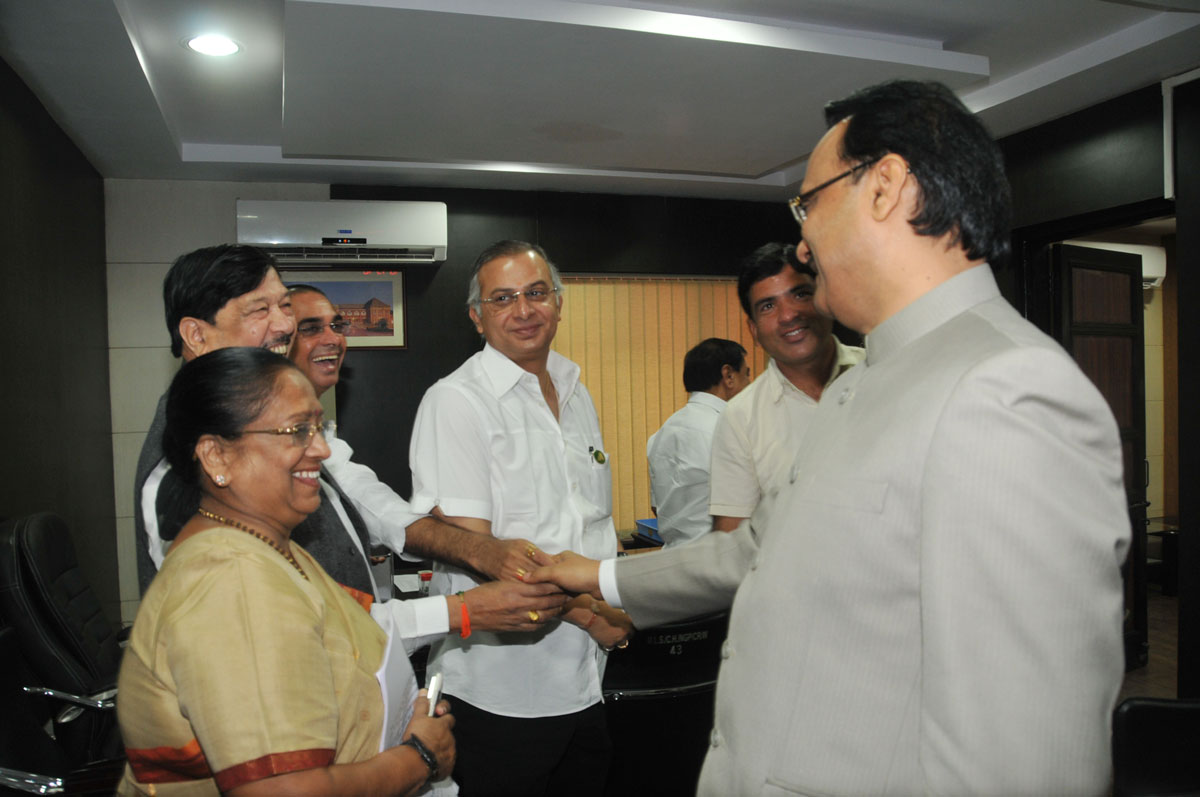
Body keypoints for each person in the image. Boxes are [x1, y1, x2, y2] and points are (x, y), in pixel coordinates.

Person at [529, 80, 1130, 795]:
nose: (803, 241)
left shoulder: (1008, 389)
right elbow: (756, 550)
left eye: (808, 203)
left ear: (886, 187)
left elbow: (1025, 758)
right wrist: (595, 574)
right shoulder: (860, 383)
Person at [118, 347, 458, 796]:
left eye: (318, 427)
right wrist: (420, 758)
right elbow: (281, 790)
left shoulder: (265, 544)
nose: (320, 449)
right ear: (216, 457)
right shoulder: (232, 582)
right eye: (297, 431)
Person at [136, 245, 552, 602]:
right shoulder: (180, 463)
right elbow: (245, 625)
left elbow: (375, 507)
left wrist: (478, 552)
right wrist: (458, 611)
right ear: (196, 335)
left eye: (284, 306)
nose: (285, 325)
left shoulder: (262, 423)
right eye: (260, 310)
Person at [408, 241, 632, 796]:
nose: (524, 310)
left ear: (558, 302)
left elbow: (587, 525)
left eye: (536, 293)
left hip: (585, 680)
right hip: (501, 693)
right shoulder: (456, 401)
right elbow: (479, 553)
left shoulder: (575, 391)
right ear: (476, 316)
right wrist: (592, 616)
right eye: (503, 298)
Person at [709, 243, 864, 533]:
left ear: (825, 298)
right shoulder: (741, 419)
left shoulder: (881, 370)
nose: (788, 315)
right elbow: (731, 541)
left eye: (800, 294)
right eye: (768, 306)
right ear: (754, 330)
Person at [646, 337, 750, 547]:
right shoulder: (728, 432)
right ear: (728, 376)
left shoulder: (660, 435)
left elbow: (657, 508)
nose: (750, 384)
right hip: (721, 557)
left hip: (675, 556)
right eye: (746, 374)